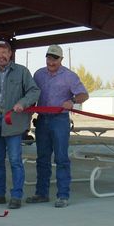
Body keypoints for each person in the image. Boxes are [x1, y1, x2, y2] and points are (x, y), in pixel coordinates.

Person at [0, 40, 40, 209]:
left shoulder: (22, 72)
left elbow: (34, 91)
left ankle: (16, 195)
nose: (1, 56)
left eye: (4, 52)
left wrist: (22, 103)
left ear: (10, 54)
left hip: (14, 124)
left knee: (15, 161)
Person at [27, 44, 89, 208]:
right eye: (49, 57)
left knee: (61, 158)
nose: (51, 61)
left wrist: (73, 101)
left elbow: (84, 94)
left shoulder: (69, 76)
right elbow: (32, 94)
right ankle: (41, 193)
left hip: (60, 120)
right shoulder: (38, 74)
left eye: (55, 58)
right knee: (42, 158)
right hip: (42, 120)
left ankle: (63, 195)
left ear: (61, 59)